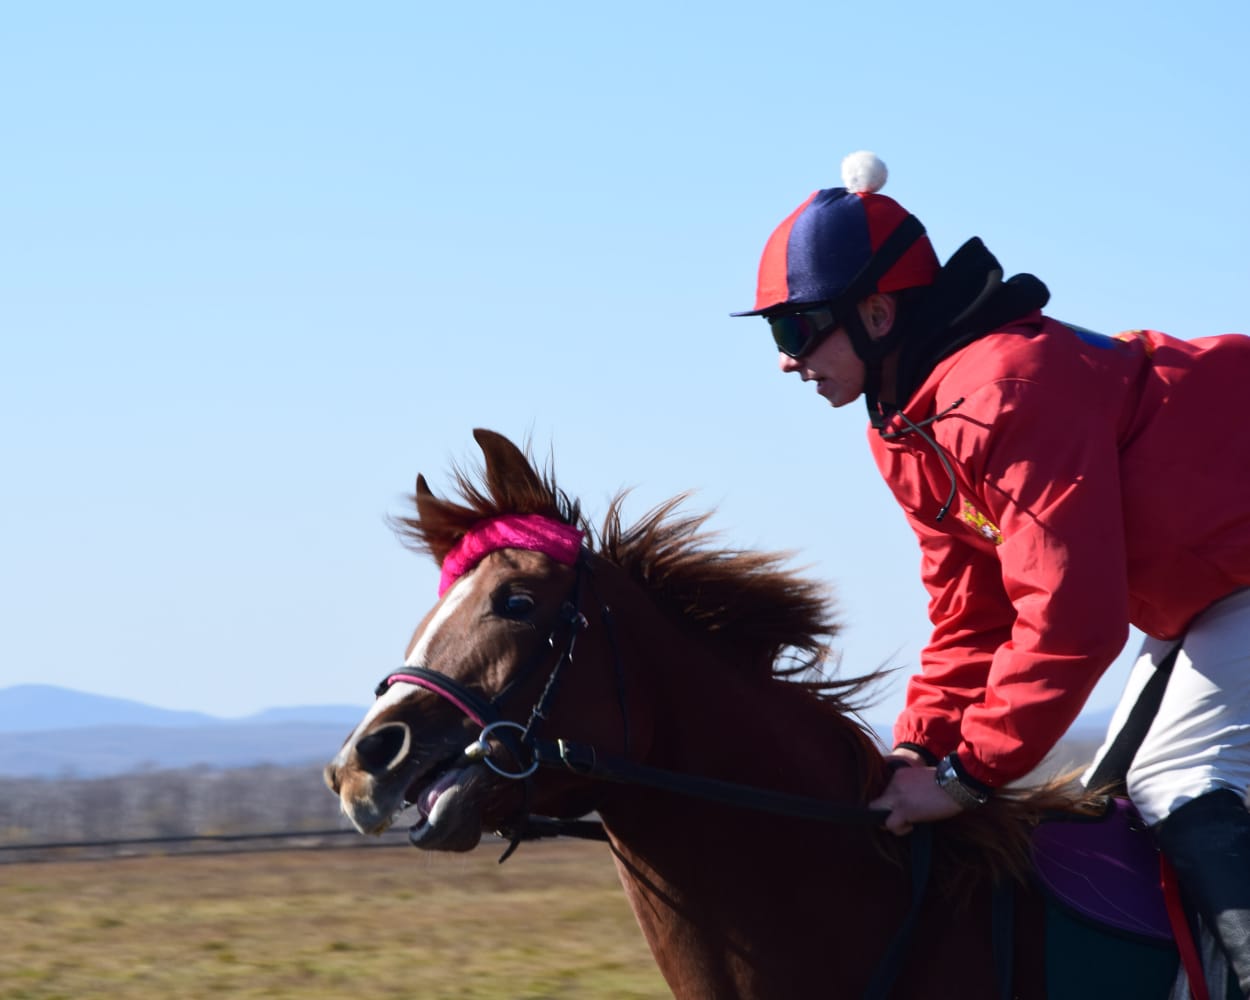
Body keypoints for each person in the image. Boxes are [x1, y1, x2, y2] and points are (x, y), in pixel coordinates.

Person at [732, 151, 1250, 995]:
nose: (787, 360)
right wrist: (920, 748)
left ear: (875, 312)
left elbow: (1072, 623)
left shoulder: (1006, 388)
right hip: (1212, 594)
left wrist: (968, 777)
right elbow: (973, 613)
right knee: (1112, 799)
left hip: (1229, 584)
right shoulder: (907, 427)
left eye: (795, 329)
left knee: (1181, 783)